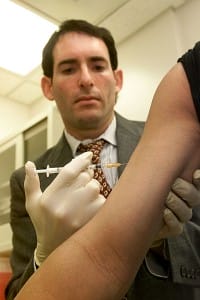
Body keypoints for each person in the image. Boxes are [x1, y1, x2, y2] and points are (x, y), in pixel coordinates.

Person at [5, 19, 200, 300]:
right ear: (48, 87)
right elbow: (16, 294)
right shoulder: (28, 179)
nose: (85, 79)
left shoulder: (171, 138)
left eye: (97, 66)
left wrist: (159, 242)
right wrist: (43, 258)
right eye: (69, 69)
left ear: (117, 79)